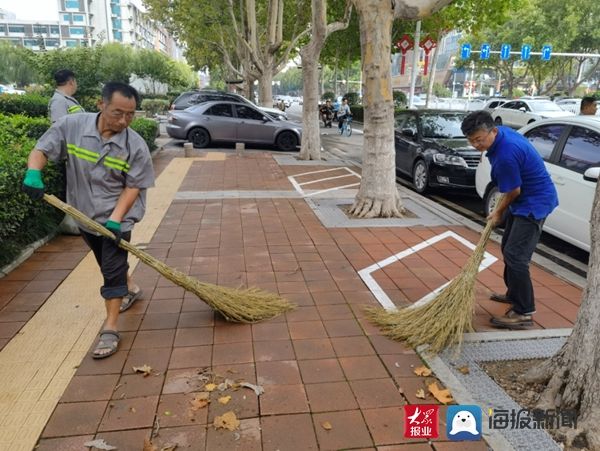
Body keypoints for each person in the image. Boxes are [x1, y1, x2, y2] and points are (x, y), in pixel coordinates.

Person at [22, 82, 155, 358]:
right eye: (118, 113)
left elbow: (133, 187)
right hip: (84, 215)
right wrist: (33, 172)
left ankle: (111, 328)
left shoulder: (135, 145)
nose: (124, 121)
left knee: (112, 268)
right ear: (101, 104)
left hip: (118, 218)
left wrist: (116, 220)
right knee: (104, 261)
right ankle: (131, 287)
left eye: (131, 114)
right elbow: (41, 149)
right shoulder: (72, 126)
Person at [461, 111, 558, 330]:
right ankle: (514, 293)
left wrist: (497, 213)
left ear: (493, 131)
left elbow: (513, 191)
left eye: (479, 139)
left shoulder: (506, 154)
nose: (476, 144)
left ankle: (524, 312)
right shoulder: (500, 135)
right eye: (472, 140)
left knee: (516, 256)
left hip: (534, 203)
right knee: (508, 248)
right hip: (523, 200)